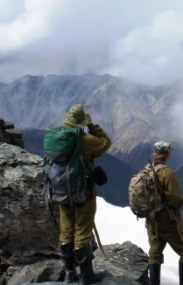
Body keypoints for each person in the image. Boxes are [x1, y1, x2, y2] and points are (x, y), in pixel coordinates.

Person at [57, 104, 111, 284]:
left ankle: (70, 274)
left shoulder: (56, 138)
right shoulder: (85, 140)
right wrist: (92, 125)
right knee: (82, 231)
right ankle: (87, 277)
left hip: (61, 191)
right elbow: (105, 143)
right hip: (82, 192)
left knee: (66, 230)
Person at [146, 141, 183, 285]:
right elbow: (177, 199)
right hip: (167, 219)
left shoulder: (146, 170)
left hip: (151, 220)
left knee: (155, 252)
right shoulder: (168, 173)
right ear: (167, 155)